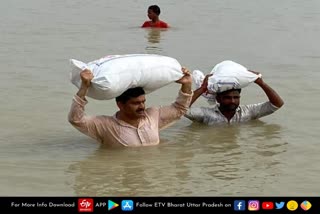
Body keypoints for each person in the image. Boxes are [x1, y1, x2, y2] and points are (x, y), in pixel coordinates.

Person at [68, 67, 193, 147]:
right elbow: (76, 119)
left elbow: (179, 109)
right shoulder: (106, 125)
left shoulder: (153, 114)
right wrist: (84, 87)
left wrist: (187, 84)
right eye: (136, 103)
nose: (142, 106)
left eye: (143, 101)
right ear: (120, 105)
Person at [185, 70, 284, 125]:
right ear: (218, 99)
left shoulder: (248, 112)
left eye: (236, 97)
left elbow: (277, 104)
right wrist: (203, 89)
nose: (233, 101)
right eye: (227, 98)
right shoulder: (207, 114)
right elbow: (182, 110)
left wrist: (261, 83)